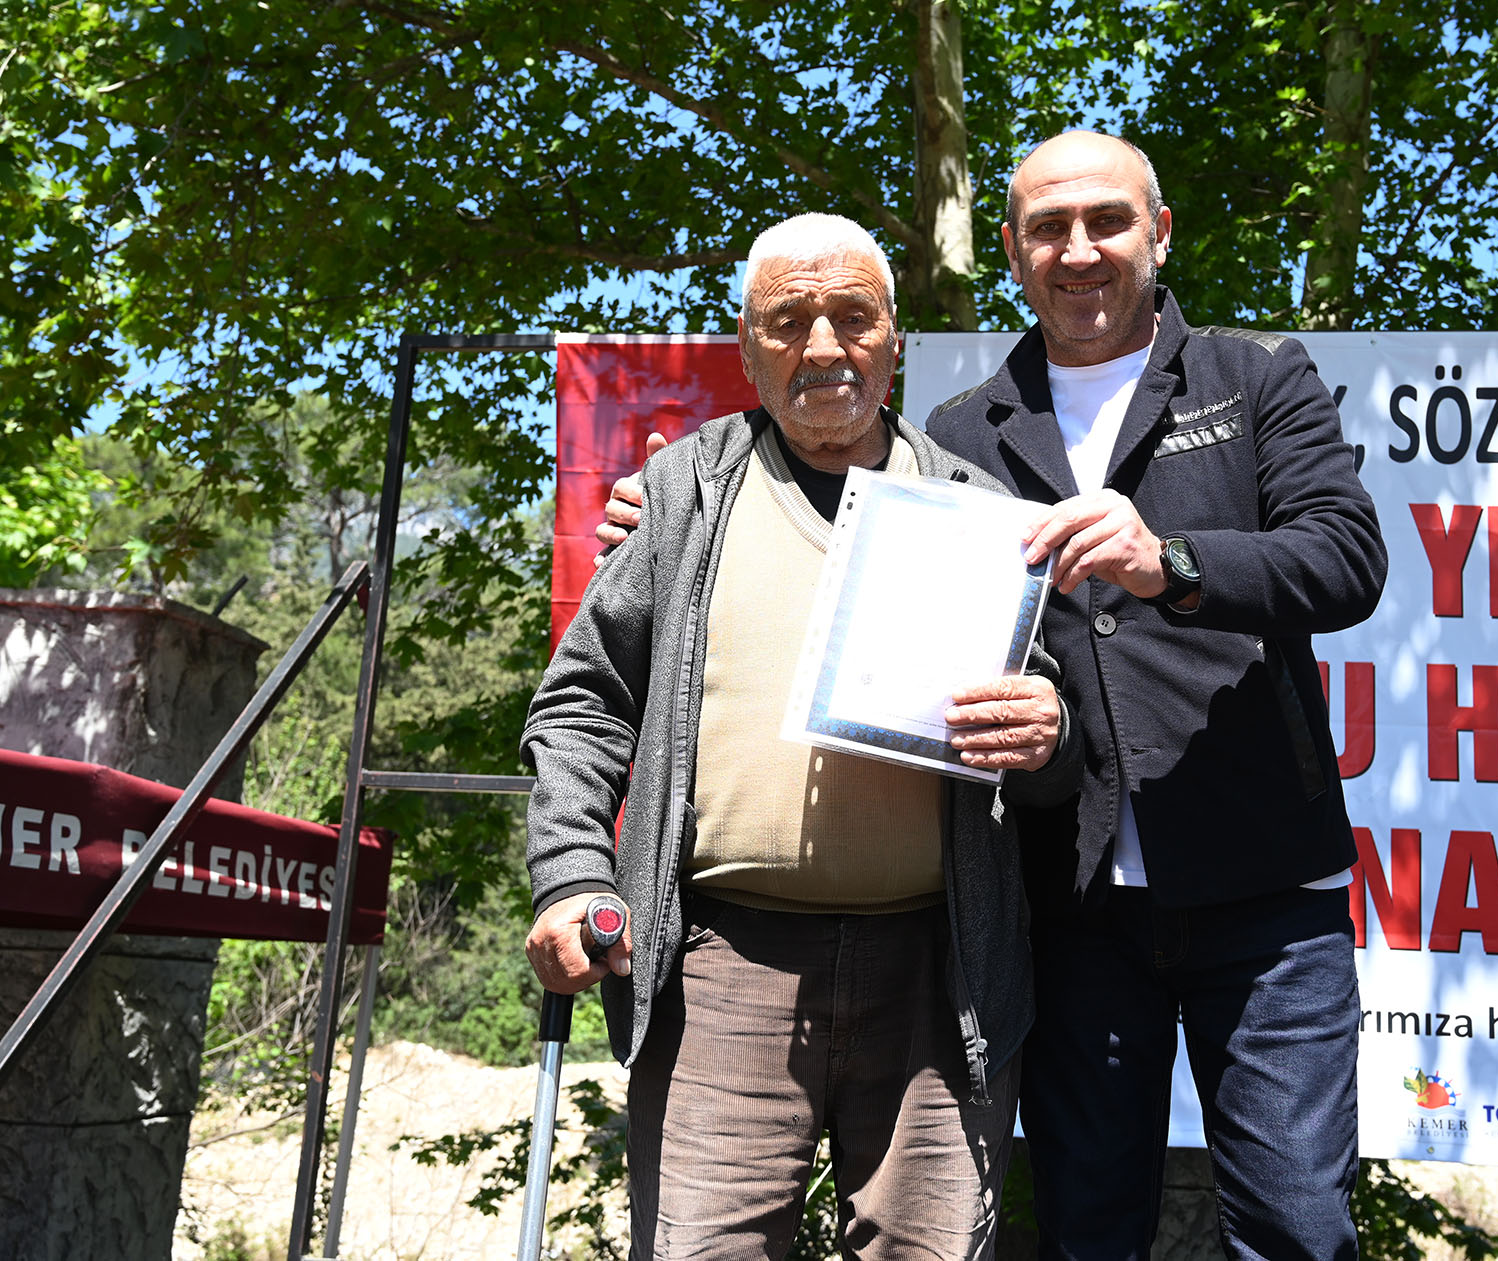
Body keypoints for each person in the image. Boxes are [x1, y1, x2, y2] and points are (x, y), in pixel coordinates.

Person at [600, 134, 1386, 1260]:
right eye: (1048, 229)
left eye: (1108, 221)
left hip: (1264, 891)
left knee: (1298, 1229)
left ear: (1160, 234)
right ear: (1013, 253)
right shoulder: (959, 435)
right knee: (1084, 1229)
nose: (1080, 249)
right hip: (1066, 908)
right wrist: (661, 511)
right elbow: (812, 535)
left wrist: (1170, 561)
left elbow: (1346, 560)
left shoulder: (1254, 378)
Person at [527, 212, 1079, 1261]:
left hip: (939, 980)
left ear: (895, 339)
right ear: (748, 348)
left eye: (853, 317)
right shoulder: (685, 493)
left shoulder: (977, 509)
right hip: (719, 972)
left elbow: (1046, 737)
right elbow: (583, 703)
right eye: (789, 321)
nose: (824, 346)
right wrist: (569, 875)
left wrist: (1047, 732)